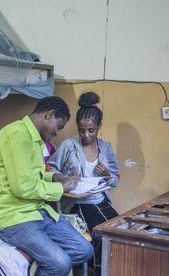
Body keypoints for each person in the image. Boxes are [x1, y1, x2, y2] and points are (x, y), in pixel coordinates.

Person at [0, 96, 93, 276]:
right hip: (12, 217)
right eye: (59, 127)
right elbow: (23, 187)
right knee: (60, 263)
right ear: (49, 115)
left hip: (36, 212)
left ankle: (44, 268)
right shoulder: (17, 135)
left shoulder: (35, 138)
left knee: (84, 250)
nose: (58, 132)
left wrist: (55, 177)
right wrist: (62, 188)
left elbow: (33, 174)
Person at [47, 91, 120, 274]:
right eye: (81, 130)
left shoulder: (106, 148)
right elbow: (49, 169)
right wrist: (64, 178)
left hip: (100, 201)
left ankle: (113, 269)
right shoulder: (68, 146)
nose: (86, 135)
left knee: (119, 229)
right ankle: (98, 270)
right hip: (76, 204)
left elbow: (115, 180)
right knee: (102, 234)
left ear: (99, 126)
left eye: (91, 130)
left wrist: (107, 174)